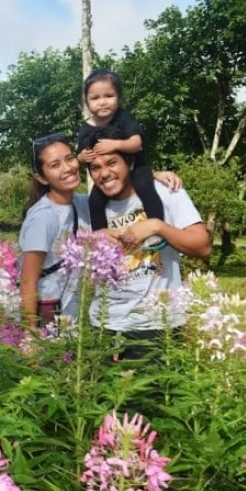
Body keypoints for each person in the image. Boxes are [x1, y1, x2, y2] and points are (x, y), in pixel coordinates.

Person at [18, 133, 183, 329]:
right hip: (46, 313)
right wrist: (30, 334)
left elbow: (118, 185)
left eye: (70, 159)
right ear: (42, 178)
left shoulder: (82, 203)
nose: (68, 168)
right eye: (55, 165)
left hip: (72, 315)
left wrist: (151, 177)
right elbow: (28, 281)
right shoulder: (42, 217)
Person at [81, 126, 212, 360]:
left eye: (112, 163)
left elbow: (203, 246)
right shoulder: (87, 207)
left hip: (156, 325)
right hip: (104, 325)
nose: (104, 173)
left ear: (129, 163)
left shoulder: (165, 192)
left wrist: (157, 226)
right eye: (95, 168)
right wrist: (93, 240)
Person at [77, 69, 166, 252]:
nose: (102, 102)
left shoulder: (123, 118)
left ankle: (156, 230)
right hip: (109, 175)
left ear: (119, 98)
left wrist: (114, 145)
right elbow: (79, 155)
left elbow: (137, 143)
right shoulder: (85, 128)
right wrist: (82, 157)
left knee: (145, 187)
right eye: (95, 98)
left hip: (137, 167)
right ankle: (102, 238)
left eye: (108, 96)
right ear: (86, 102)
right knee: (94, 201)